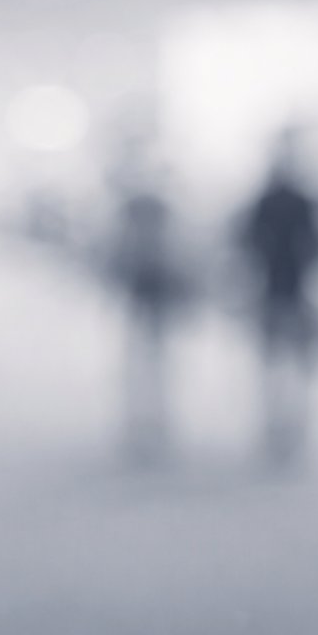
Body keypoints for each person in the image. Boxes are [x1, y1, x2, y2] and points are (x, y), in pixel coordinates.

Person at [237, 146, 318, 467]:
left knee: (274, 364)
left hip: (275, 292)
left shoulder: (265, 202)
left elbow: (247, 244)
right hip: (295, 292)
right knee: (296, 364)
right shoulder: (303, 202)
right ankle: (293, 428)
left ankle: (277, 427)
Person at [108, 174, 186, 465]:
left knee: (151, 362)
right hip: (143, 295)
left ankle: (150, 422)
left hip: (153, 296)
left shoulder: (155, 216)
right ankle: (144, 423)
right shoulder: (140, 215)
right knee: (146, 362)